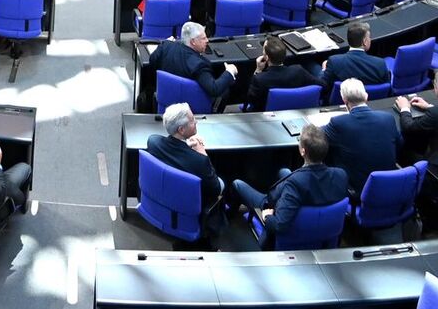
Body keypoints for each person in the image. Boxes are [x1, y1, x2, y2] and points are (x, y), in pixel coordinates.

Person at [231, 124, 348, 247]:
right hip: (324, 231)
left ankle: (229, 220)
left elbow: (279, 225)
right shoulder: (341, 175)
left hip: (279, 217)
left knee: (237, 184)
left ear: (303, 151)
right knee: (284, 171)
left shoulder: (295, 184)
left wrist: (267, 217)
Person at [146, 104, 224, 235]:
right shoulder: (199, 161)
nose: (196, 122)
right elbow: (215, 189)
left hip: (163, 199)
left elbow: (175, 153)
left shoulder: (153, 141)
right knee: (221, 183)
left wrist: (186, 146)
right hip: (188, 208)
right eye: (193, 120)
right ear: (181, 130)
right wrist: (202, 153)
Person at [322, 79, 402, 193]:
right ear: (366, 97)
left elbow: (318, 137)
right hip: (390, 187)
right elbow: (399, 145)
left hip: (357, 190)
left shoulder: (338, 123)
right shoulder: (388, 118)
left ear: (344, 100)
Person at [148, 21, 237, 104]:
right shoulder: (199, 64)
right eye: (203, 38)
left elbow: (152, 61)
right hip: (189, 104)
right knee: (224, 90)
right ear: (193, 42)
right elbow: (214, 89)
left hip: (166, 97)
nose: (207, 40)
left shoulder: (166, 45)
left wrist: (165, 43)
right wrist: (229, 72)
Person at [243, 36, 320, 112]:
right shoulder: (298, 71)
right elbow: (322, 85)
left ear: (266, 57)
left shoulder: (260, 79)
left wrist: (258, 70)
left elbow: (248, 102)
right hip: (297, 112)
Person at [322, 22, 389, 90]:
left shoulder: (334, 61)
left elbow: (324, 86)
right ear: (365, 41)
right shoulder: (380, 64)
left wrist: (324, 70)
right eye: (369, 38)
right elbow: (387, 88)